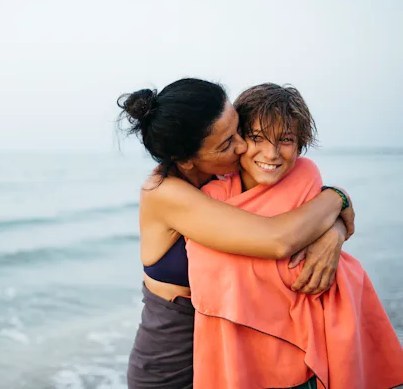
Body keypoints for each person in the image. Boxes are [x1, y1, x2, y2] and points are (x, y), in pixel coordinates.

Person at [117, 78, 355, 389]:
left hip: (234, 365)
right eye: (227, 143)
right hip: (173, 372)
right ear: (187, 159)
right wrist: (337, 199)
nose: (242, 146)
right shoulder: (163, 193)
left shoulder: (223, 177)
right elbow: (277, 239)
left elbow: (293, 210)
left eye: (238, 131)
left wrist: (333, 230)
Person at [185, 83, 403, 389]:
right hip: (235, 350)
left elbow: (316, 223)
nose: (271, 154)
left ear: (300, 144)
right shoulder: (209, 197)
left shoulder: (306, 181)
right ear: (238, 140)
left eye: (285, 140)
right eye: (257, 138)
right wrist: (335, 219)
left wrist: (334, 232)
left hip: (305, 354)